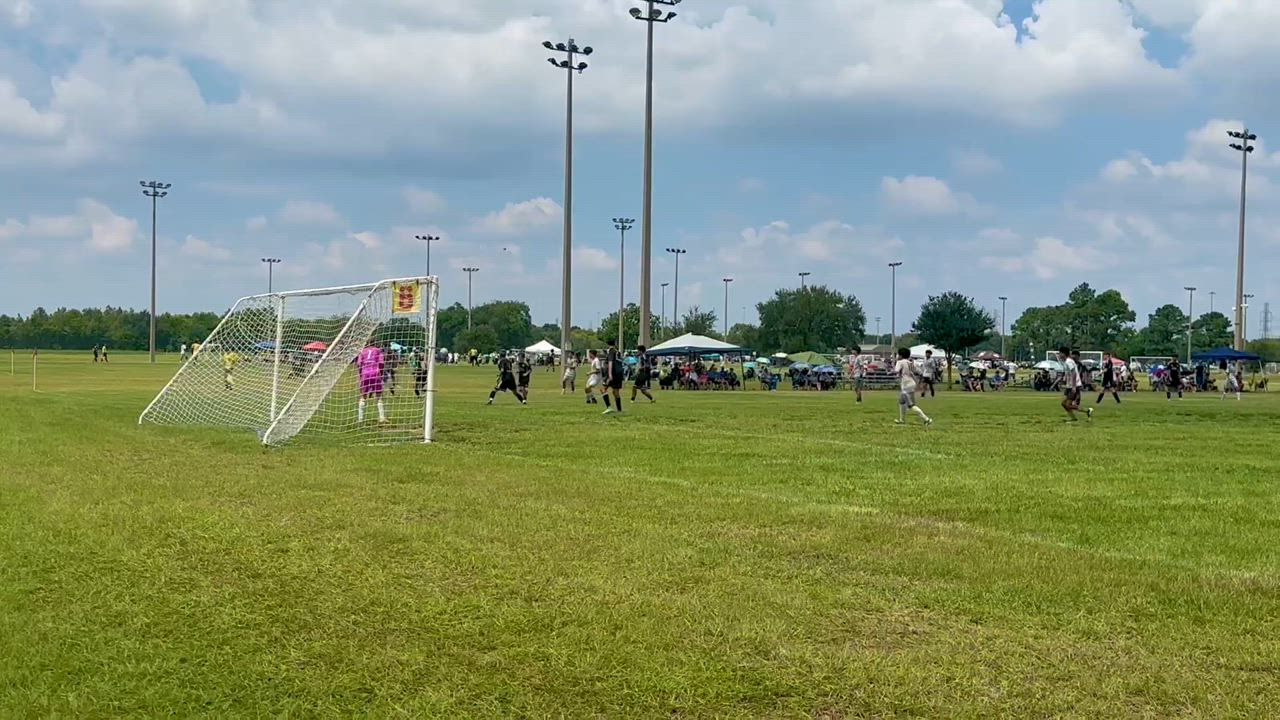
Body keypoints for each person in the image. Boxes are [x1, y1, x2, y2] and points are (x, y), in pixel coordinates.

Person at [893, 348, 932, 427]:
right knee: (902, 402)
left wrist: (890, 372)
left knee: (910, 405)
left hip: (906, 384)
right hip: (911, 383)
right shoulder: (910, 362)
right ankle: (902, 420)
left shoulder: (900, 362)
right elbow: (919, 371)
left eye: (898, 354)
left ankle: (926, 419)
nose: (897, 356)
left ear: (901, 355)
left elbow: (896, 371)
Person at [356, 342, 387, 422]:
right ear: (375, 343)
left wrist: (360, 375)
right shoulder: (378, 350)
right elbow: (381, 363)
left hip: (365, 374)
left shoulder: (362, 351)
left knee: (363, 396)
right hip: (375, 373)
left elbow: (359, 364)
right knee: (379, 396)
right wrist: (381, 374)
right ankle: (382, 418)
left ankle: (360, 419)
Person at [1059, 347, 1091, 422]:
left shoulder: (1069, 362)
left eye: (1060, 353)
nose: (1059, 355)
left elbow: (1074, 374)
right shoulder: (1067, 362)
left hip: (1074, 385)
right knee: (1063, 404)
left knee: (1068, 404)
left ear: (1064, 354)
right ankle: (1073, 418)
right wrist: (1064, 380)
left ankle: (1087, 410)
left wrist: (1073, 386)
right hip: (1069, 385)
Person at [602, 342, 625, 414]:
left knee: (603, 389)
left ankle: (609, 407)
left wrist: (609, 374)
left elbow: (610, 362)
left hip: (612, 374)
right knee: (615, 392)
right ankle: (619, 409)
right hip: (619, 374)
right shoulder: (618, 352)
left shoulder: (611, 352)